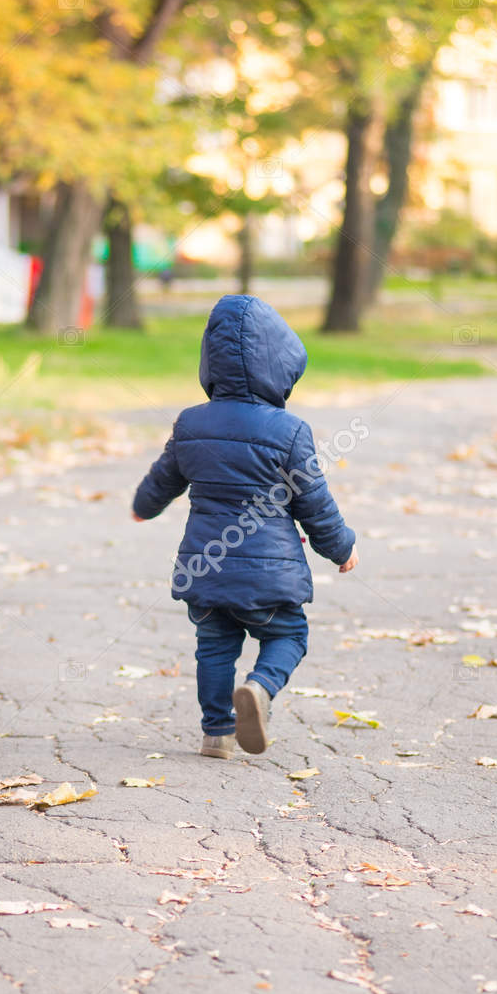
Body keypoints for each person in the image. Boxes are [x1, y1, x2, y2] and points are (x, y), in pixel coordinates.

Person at [132, 294, 357, 758]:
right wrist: (342, 548)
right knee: (289, 635)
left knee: (214, 645)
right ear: (279, 363)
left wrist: (143, 505)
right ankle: (260, 687)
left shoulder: (191, 423)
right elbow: (314, 504)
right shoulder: (290, 431)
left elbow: (163, 479)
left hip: (205, 568)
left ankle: (217, 731)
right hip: (269, 575)